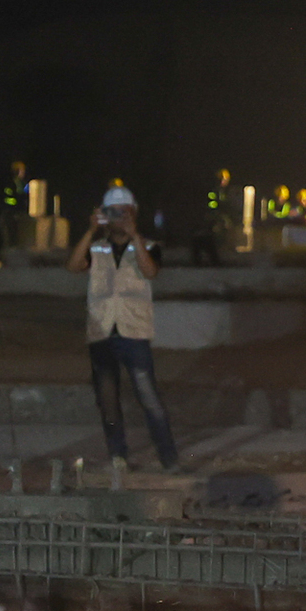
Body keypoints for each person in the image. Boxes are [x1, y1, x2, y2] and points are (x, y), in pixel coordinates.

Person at [66, 184, 181, 476]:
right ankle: (118, 456)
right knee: (108, 400)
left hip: (134, 332)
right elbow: (74, 265)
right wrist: (90, 230)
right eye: (112, 212)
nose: (118, 217)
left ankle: (169, 458)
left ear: (134, 213)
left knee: (149, 398)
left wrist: (135, 236)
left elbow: (151, 271)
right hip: (101, 331)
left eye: (124, 211)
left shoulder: (147, 245)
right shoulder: (96, 247)